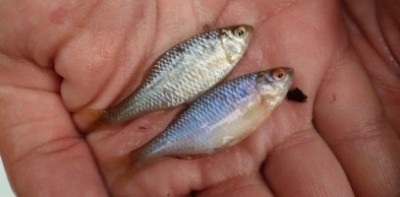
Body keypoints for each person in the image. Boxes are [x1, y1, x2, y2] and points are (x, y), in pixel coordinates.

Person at [0, 0, 399, 196]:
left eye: (277, 76)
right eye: (277, 75)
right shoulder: (228, 55)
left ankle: (129, 142)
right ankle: (118, 123)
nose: (243, 39)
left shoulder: (245, 74)